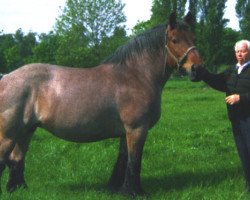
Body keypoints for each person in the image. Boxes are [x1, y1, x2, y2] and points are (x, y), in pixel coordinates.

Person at [193, 39, 250, 191]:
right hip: (236, 119)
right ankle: (248, 185)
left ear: (249, 52)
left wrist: (241, 98)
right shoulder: (231, 70)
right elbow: (218, 82)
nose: (240, 54)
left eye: (243, 51)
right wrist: (202, 72)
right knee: (244, 153)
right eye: (237, 51)